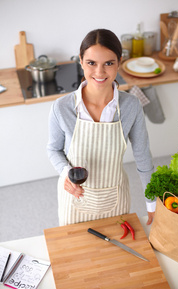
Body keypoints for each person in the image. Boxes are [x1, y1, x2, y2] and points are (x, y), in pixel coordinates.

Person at [47, 28, 156, 226]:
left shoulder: (131, 106)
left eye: (108, 63)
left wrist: (153, 205)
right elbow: (53, 149)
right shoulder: (62, 107)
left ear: (119, 62)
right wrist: (66, 173)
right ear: (81, 61)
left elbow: (143, 157)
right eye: (91, 63)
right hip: (74, 200)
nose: (99, 72)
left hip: (116, 199)